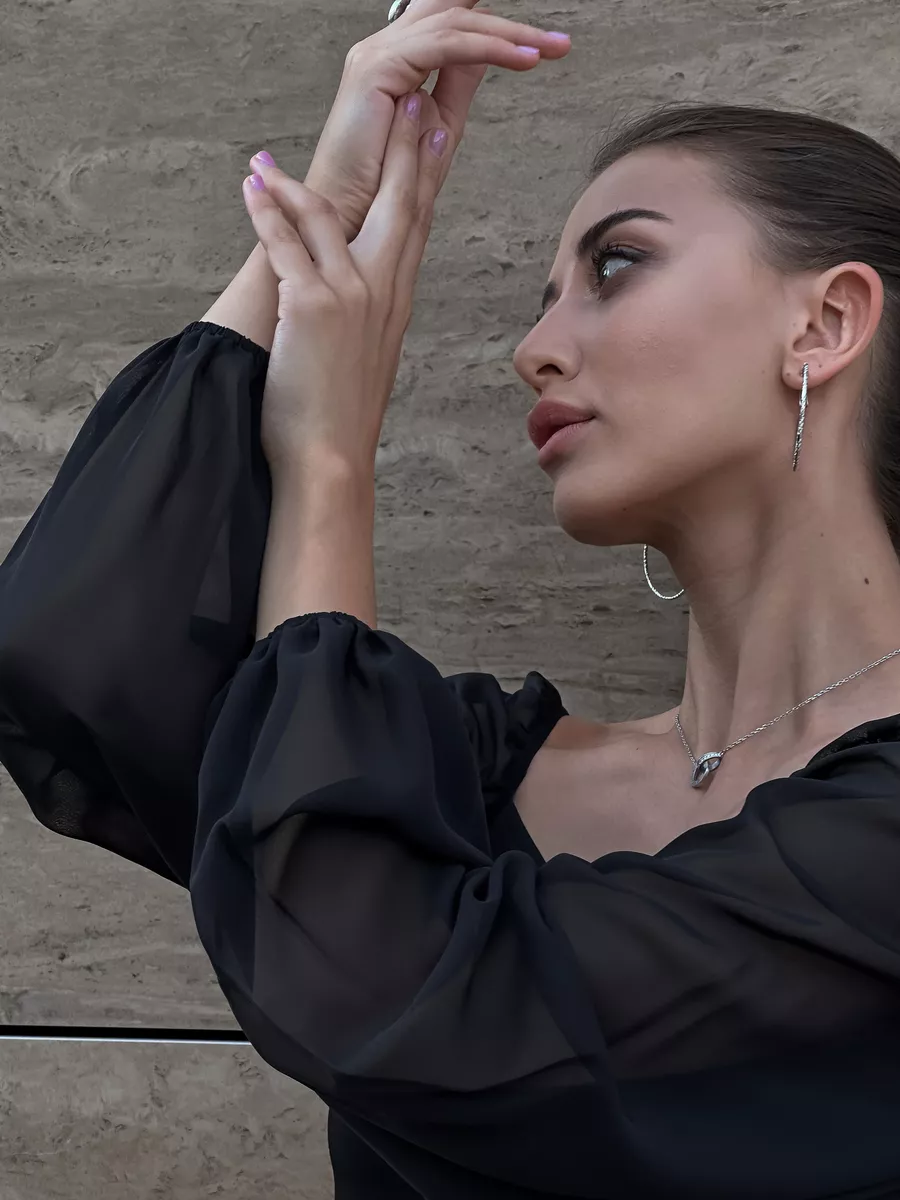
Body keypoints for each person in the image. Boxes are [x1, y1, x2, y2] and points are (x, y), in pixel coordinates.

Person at [2, 3, 900, 1199]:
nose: (535, 348)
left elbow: (392, 998)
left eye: (615, 266)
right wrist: (319, 224)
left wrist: (330, 463)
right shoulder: (473, 774)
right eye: (543, 297)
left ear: (825, 323)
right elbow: (84, 653)